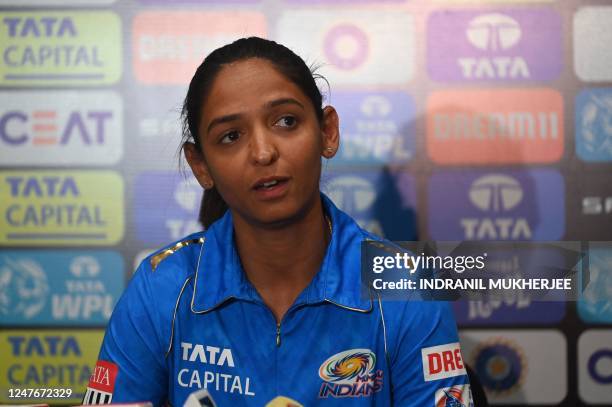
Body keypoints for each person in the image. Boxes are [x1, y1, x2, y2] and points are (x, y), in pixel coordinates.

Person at [84, 37, 472, 406]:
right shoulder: (162, 289)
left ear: (327, 132)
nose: (263, 152)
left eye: (286, 122)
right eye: (231, 135)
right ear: (200, 165)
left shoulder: (407, 289)